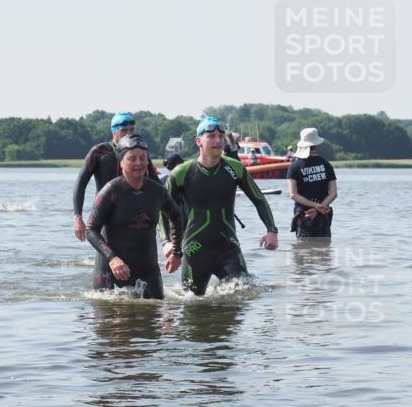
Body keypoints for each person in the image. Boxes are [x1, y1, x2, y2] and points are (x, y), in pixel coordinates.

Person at [166, 116, 278, 295]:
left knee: (243, 295)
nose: (218, 140)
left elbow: (259, 199)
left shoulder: (235, 168)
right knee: (192, 308)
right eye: (211, 136)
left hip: (228, 248)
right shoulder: (182, 173)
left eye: (220, 136)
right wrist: (168, 244)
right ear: (198, 141)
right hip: (195, 250)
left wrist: (272, 230)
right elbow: (161, 211)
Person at [86, 135, 184, 297]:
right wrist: (112, 258)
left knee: (156, 316)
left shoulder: (157, 192)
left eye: (142, 158)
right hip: (111, 272)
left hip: (148, 271)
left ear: (148, 162)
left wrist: (176, 252)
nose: (138, 163)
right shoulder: (111, 192)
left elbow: (177, 217)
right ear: (121, 162)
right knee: (112, 320)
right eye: (132, 158)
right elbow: (91, 230)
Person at [73, 112, 160, 242]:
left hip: (135, 212)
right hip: (106, 212)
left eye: (131, 130)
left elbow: (156, 183)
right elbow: (80, 184)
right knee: (109, 255)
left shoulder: (139, 152)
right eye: (124, 130)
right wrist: (78, 217)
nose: (129, 133)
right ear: (114, 132)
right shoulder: (99, 152)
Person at [286, 127, 337, 239]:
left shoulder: (294, 166)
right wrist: (319, 207)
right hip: (324, 214)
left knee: (303, 252)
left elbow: (293, 194)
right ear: (317, 145)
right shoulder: (327, 165)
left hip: (304, 215)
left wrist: (315, 207)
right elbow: (333, 193)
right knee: (324, 251)